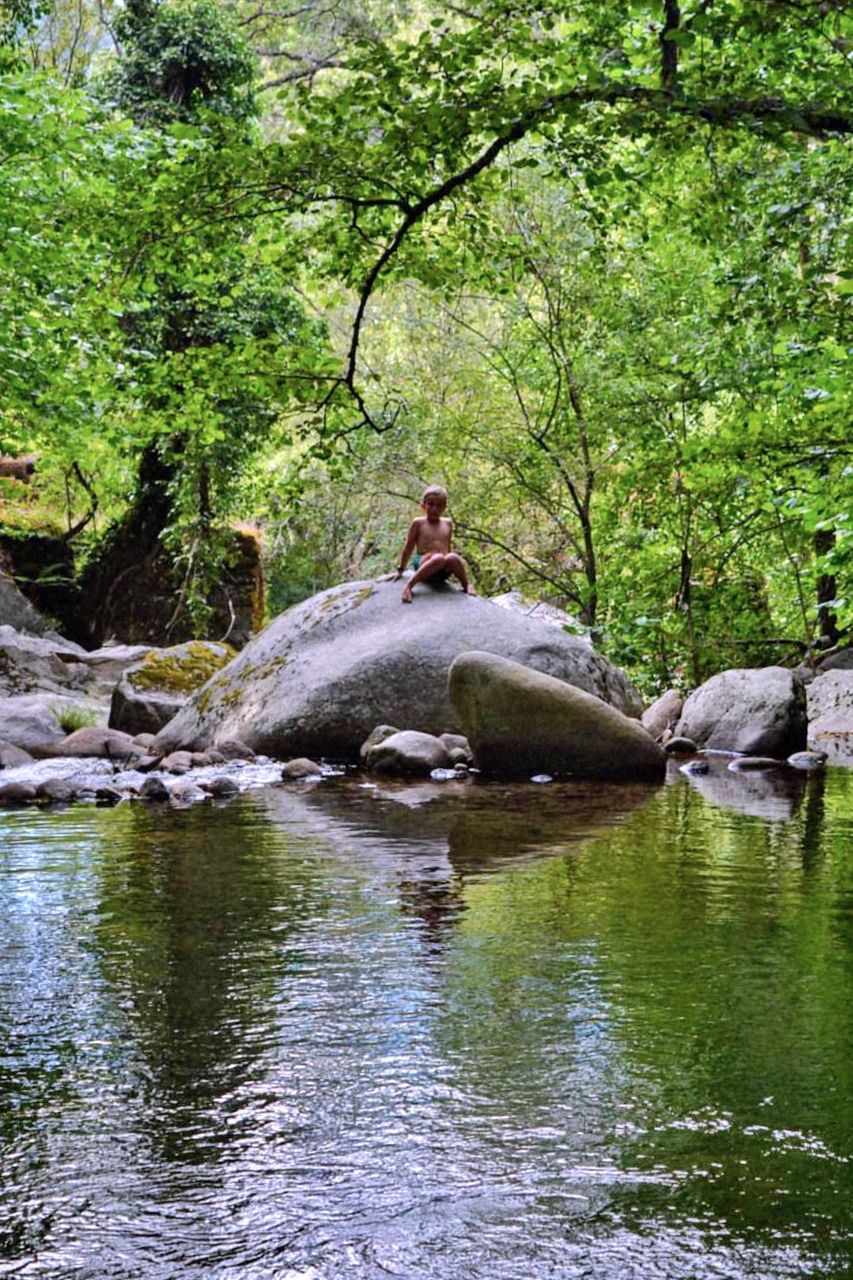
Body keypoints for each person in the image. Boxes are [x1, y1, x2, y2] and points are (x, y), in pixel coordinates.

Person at [389, 485, 475, 604]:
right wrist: (400, 569)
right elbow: (408, 547)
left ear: (444, 507)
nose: (435, 509)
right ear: (423, 505)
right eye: (431, 504)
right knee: (438, 557)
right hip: (424, 564)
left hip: (441, 570)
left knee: (452, 557)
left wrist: (451, 564)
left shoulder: (448, 523)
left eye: (439, 505)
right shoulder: (418, 523)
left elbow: (448, 547)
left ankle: (466, 585)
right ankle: (409, 586)